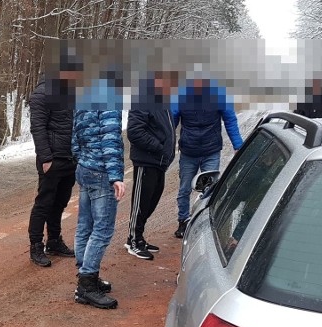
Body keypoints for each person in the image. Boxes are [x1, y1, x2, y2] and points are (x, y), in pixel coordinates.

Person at [172, 78, 243, 239]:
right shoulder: (181, 96)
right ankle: (183, 220)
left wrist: (238, 145)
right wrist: (165, 146)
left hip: (211, 151)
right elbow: (172, 123)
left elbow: (230, 120)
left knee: (210, 188)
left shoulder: (218, 95)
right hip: (188, 152)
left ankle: (205, 222)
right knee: (184, 189)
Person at [72, 106, 125, 309]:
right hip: (101, 172)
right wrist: (116, 177)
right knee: (102, 230)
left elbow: (74, 138)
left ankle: (85, 274)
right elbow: (110, 140)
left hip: (85, 168)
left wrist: (84, 159)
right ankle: (86, 285)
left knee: (85, 225)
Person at [27, 66, 79, 267]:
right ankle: (36, 246)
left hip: (69, 158)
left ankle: (54, 241)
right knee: (44, 203)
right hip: (52, 159)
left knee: (60, 202)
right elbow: (37, 127)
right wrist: (46, 158)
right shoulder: (42, 93)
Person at [125, 72, 178, 260]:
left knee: (152, 200)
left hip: (159, 162)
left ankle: (138, 236)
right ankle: (133, 240)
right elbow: (134, 131)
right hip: (146, 160)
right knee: (141, 203)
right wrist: (159, 147)